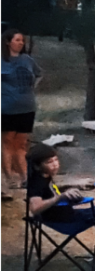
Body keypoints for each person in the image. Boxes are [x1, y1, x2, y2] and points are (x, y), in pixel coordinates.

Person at [2, 29, 42, 197]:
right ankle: (9, 177)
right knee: (7, 142)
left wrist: (32, 89)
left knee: (22, 144)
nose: (20, 43)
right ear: (7, 42)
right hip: (6, 108)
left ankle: (25, 177)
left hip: (27, 107)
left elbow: (39, 74)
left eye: (22, 41)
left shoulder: (27, 60)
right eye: (17, 40)